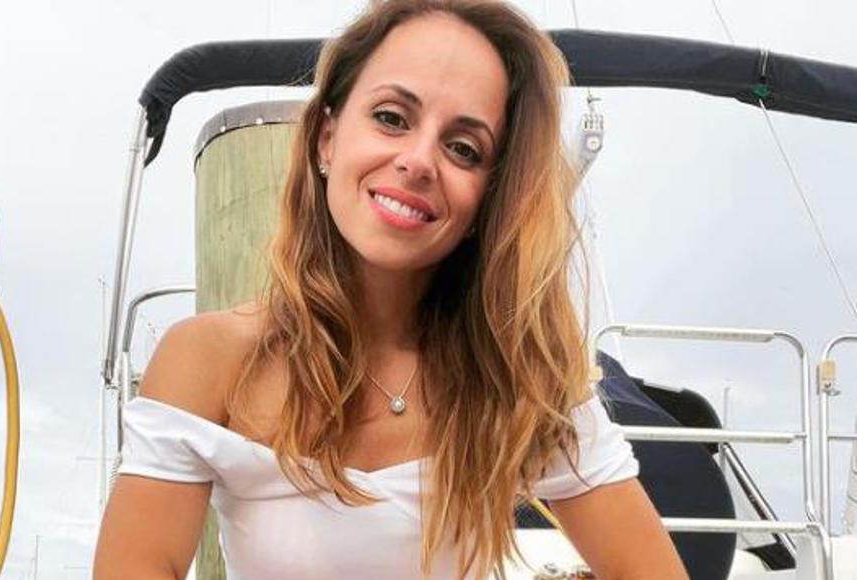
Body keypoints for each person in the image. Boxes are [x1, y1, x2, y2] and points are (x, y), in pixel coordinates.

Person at [94, 1, 688, 578]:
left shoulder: (521, 378)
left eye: (464, 149)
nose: (419, 160)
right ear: (326, 138)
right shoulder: (208, 359)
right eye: (391, 118)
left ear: (489, 198)